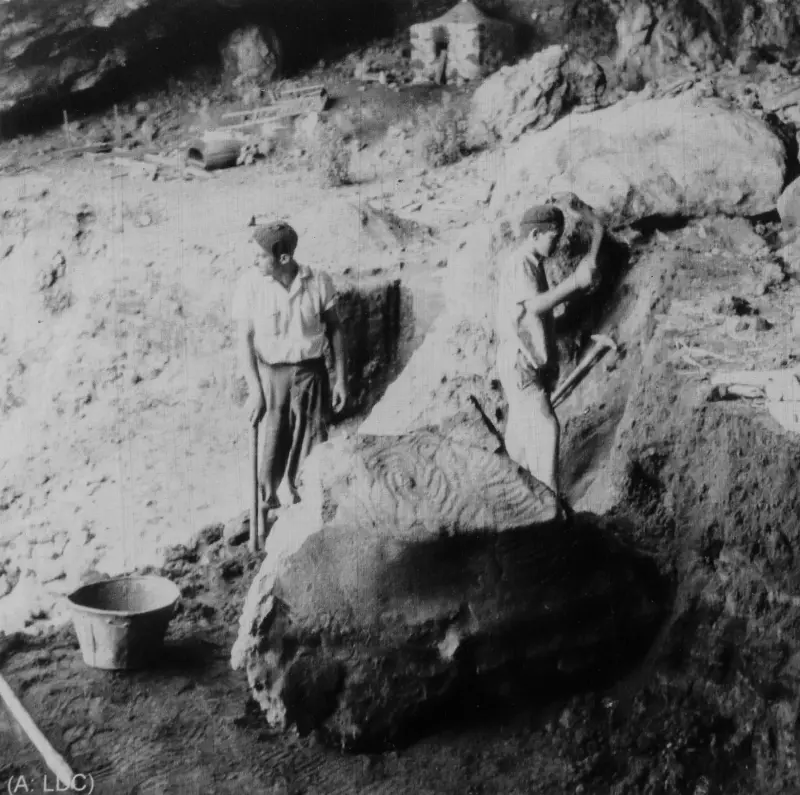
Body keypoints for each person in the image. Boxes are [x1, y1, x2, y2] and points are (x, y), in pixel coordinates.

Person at [233, 221, 347, 514]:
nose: (254, 261)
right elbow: (244, 340)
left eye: (260, 256)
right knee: (273, 439)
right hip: (273, 374)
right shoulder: (250, 284)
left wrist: (340, 380)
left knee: (313, 438)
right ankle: (266, 507)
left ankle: (306, 504)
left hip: (312, 372)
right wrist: (256, 390)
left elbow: (335, 328)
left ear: (283, 258)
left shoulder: (318, 281)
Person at [495, 204, 603, 510]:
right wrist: (574, 284)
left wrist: (578, 290)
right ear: (534, 234)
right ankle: (549, 507)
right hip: (521, 362)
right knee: (545, 427)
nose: (557, 245)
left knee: (519, 438)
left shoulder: (529, 262)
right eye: (553, 238)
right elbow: (533, 307)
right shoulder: (522, 263)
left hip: (521, 361)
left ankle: (516, 506)